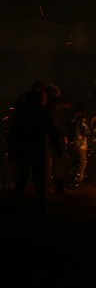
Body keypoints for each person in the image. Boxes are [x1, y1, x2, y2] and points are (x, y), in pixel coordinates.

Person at [7, 85, 62, 214]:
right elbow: (51, 131)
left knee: (23, 175)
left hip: (23, 148)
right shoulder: (42, 111)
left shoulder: (21, 111)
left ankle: (16, 201)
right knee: (39, 176)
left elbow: (13, 132)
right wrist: (57, 147)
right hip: (37, 148)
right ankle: (41, 204)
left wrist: (11, 149)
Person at [67, 102, 90, 186]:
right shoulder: (78, 120)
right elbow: (87, 132)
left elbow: (86, 132)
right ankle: (76, 180)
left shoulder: (75, 120)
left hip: (77, 144)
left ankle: (75, 179)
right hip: (78, 145)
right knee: (79, 163)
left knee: (77, 162)